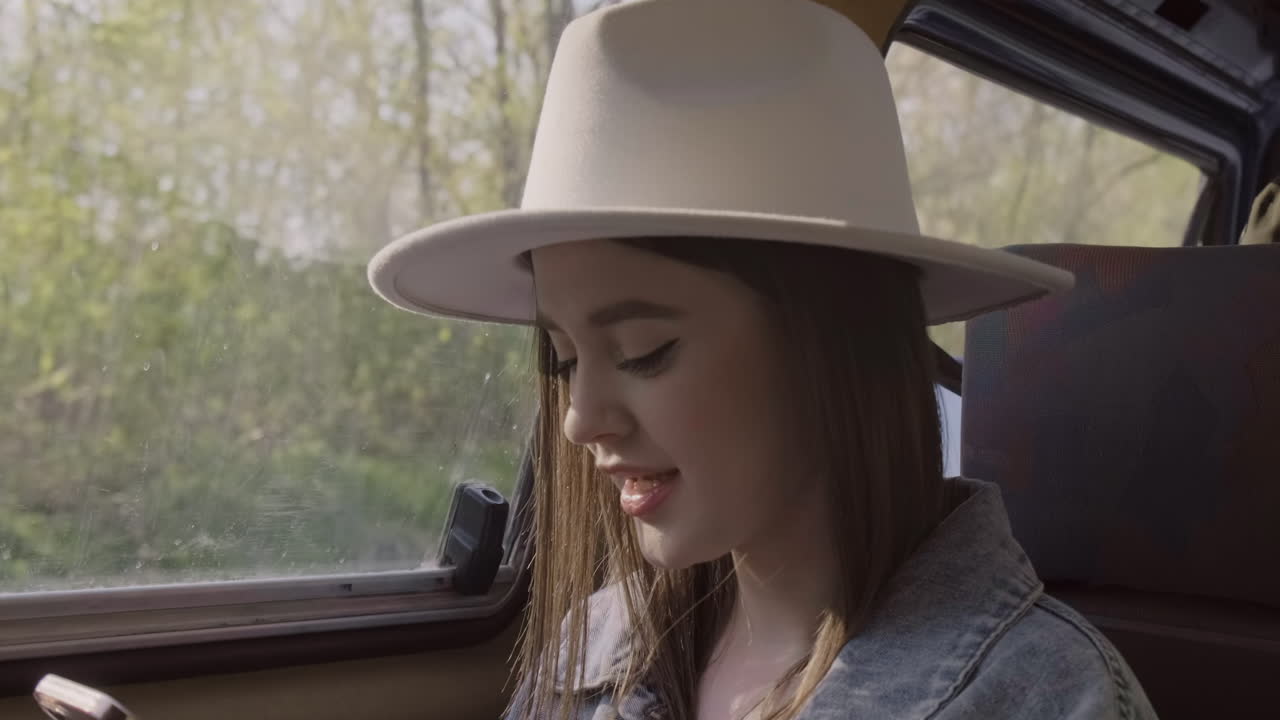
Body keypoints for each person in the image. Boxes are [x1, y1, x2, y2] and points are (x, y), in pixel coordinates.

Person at [367, 0, 1158, 717]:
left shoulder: (1046, 696)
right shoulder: (598, 640)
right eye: (566, 357)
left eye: (645, 350)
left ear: (833, 350)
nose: (579, 419)